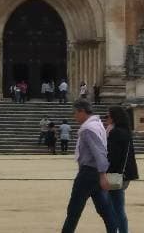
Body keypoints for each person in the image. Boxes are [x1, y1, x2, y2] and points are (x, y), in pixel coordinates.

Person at [60, 99, 117, 233]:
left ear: (82, 111)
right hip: (95, 172)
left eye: (75, 113)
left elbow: (99, 152)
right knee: (104, 209)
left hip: (88, 173)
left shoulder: (88, 129)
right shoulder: (97, 125)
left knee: (74, 209)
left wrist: (103, 175)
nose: (74, 116)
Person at [106, 106, 139, 233]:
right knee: (116, 207)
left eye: (107, 116)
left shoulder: (115, 132)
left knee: (116, 209)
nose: (106, 119)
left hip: (116, 174)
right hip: (125, 174)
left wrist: (106, 171)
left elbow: (113, 156)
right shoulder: (125, 131)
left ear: (114, 118)